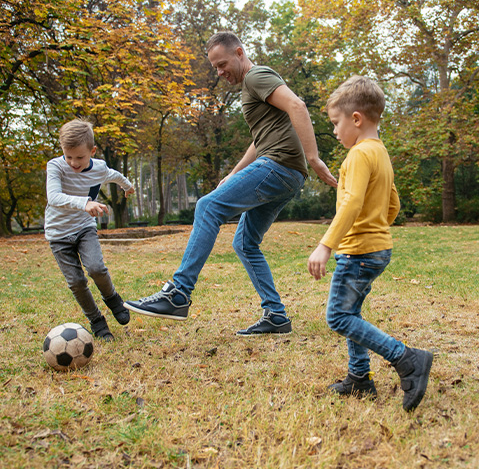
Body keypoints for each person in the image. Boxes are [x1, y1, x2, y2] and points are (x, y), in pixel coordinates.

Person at [124, 31, 337, 336]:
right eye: (215, 68)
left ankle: (178, 293)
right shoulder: (251, 88)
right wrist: (236, 172)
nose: (220, 72)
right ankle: (276, 315)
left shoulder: (256, 76)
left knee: (207, 206)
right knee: (244, 243)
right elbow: (260, 138)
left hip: (278, 166)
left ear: (239, 52)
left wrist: (314, 158)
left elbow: (298, 106)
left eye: (223, 64)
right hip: (286, 173)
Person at [308, 75, 433, 411]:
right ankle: (360, 379)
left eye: (336, 123)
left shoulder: (359, 156)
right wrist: (375, 229)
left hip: (358, 252)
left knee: (338, 317)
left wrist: (326, 244)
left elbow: (351, 203)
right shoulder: (381, 153)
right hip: (377, 248)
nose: (335, 131)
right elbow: (393, 205)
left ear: (356, 119)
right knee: (352, 311)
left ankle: (407, 359)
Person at [45, 119, 135, 341]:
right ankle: (97, 321)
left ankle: (112, 298)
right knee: (76, 282)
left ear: (92, 151)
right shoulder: (56, 166)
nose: (73, 162)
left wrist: (128, 186)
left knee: (96, 268)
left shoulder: (99, 168)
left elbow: (113, 175)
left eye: (80, 157)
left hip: (84, 228)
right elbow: (53, 197)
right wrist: (84, 203)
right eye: (69, 156)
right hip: (58, 234)